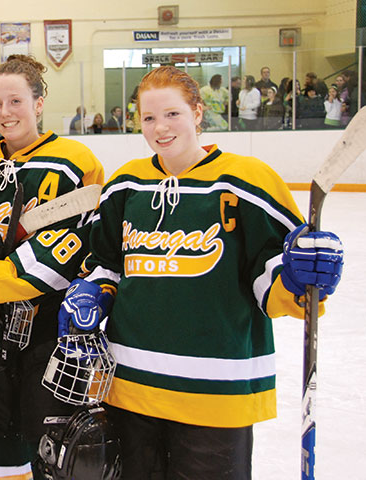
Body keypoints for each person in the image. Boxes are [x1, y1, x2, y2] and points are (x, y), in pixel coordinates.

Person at [59, 65, 344, 479]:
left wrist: (300, 277)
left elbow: (271, 277)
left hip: (215, 391)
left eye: (172, 114)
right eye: (149, 118)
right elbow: (108, 263)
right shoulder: (126, 184)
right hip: (130, 387)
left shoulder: (247, 181)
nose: (160, 128)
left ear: (197, 113)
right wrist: (94, 291)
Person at [0, 54, 105, 480]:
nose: (4, 113)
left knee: (47, 440)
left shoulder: (72, 160)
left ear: (38, 101)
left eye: (15, 101)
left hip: (46, 327)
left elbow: (70, 246)